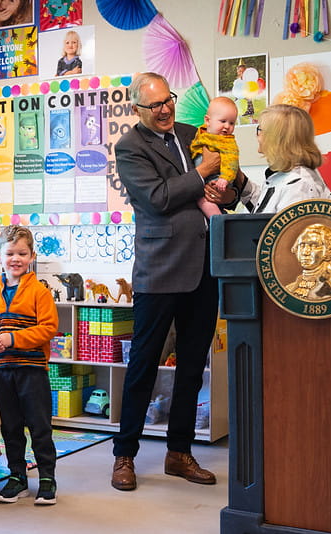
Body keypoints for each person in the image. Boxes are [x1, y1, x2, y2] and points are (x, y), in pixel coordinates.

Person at [111, 72, 236, 492]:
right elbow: (158, 199)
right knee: (143, 365)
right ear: (137, 110)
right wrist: (202, 172)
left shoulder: (192, 132)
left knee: (192, 367)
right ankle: (124, 455)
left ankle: (178, 452)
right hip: (160, 269)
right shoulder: (129, 147)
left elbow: (228, 184)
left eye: (169, 100)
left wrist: (224, 188)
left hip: (205, 267)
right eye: (155, 105)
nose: (165, 109)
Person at [0, 225, 59, 505]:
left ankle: (47, 477)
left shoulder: (39, 292)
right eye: (10, 253)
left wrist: (14, 338)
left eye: (22, 253)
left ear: (32, 256)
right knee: (10, 426)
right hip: (2, 371)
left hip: (32, 370)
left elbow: (48, 327)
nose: (16, 258)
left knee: (39, 426)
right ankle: (17, 476)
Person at [234, 104, 331, 213]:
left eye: (259, 130)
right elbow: (266, 208)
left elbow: (284, 228)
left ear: (276, 139)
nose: (257, 135)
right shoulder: (288, 177)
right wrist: (240, 180)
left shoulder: (298, 185)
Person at [190, 96, 240, 219]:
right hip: (202, 178)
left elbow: (232, 161)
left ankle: (218, 220)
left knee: (203, 199)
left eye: (231, 123)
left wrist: (225, 178)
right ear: (207, 121)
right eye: (223, 121)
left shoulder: (227, 141)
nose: (227, 126)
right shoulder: (202, 133)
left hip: (219, 181)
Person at [285, 223, 331, 300]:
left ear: (328, 250)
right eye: (302, 245)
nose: (305, 252)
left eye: (314, 246)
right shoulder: (290, 288)